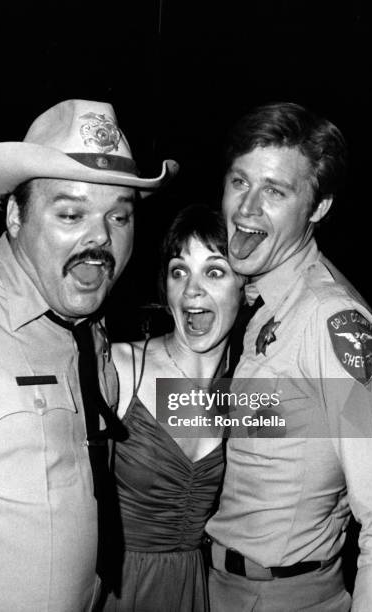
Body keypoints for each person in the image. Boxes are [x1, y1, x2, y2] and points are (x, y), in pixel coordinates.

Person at [0, 99, 178, 611]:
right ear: (14, 215)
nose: (100, 236)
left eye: (119, 215)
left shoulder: (88, 331)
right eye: (71, 213)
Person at [205, 102, 372, 611]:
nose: (247, 208)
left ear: (317, 208)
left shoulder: (333, 322)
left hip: (282, 597)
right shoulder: (253, 302)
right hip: (216, 588)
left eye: (275, 191)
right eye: (239, 181)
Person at [99, 205, 244, 611]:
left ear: (245, 288)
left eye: (214, 272)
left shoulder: (244, 392)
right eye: (179, 271)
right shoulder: (123, 366)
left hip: (197, 590)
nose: (191, 290)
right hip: (118, 589)